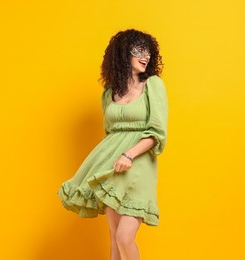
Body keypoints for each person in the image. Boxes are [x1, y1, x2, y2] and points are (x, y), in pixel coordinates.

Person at [57, 28, 168, 260]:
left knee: (125, 237)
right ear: (123, 54)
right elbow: (110, 133)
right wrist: (116, 156)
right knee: (114, 235)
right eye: (138, 50)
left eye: (147, 50)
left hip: (137, 161)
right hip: (110, 161)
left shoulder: (153, 85)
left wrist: (129, 154)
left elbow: (157, 132)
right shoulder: (109, 93)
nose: (145, 55)